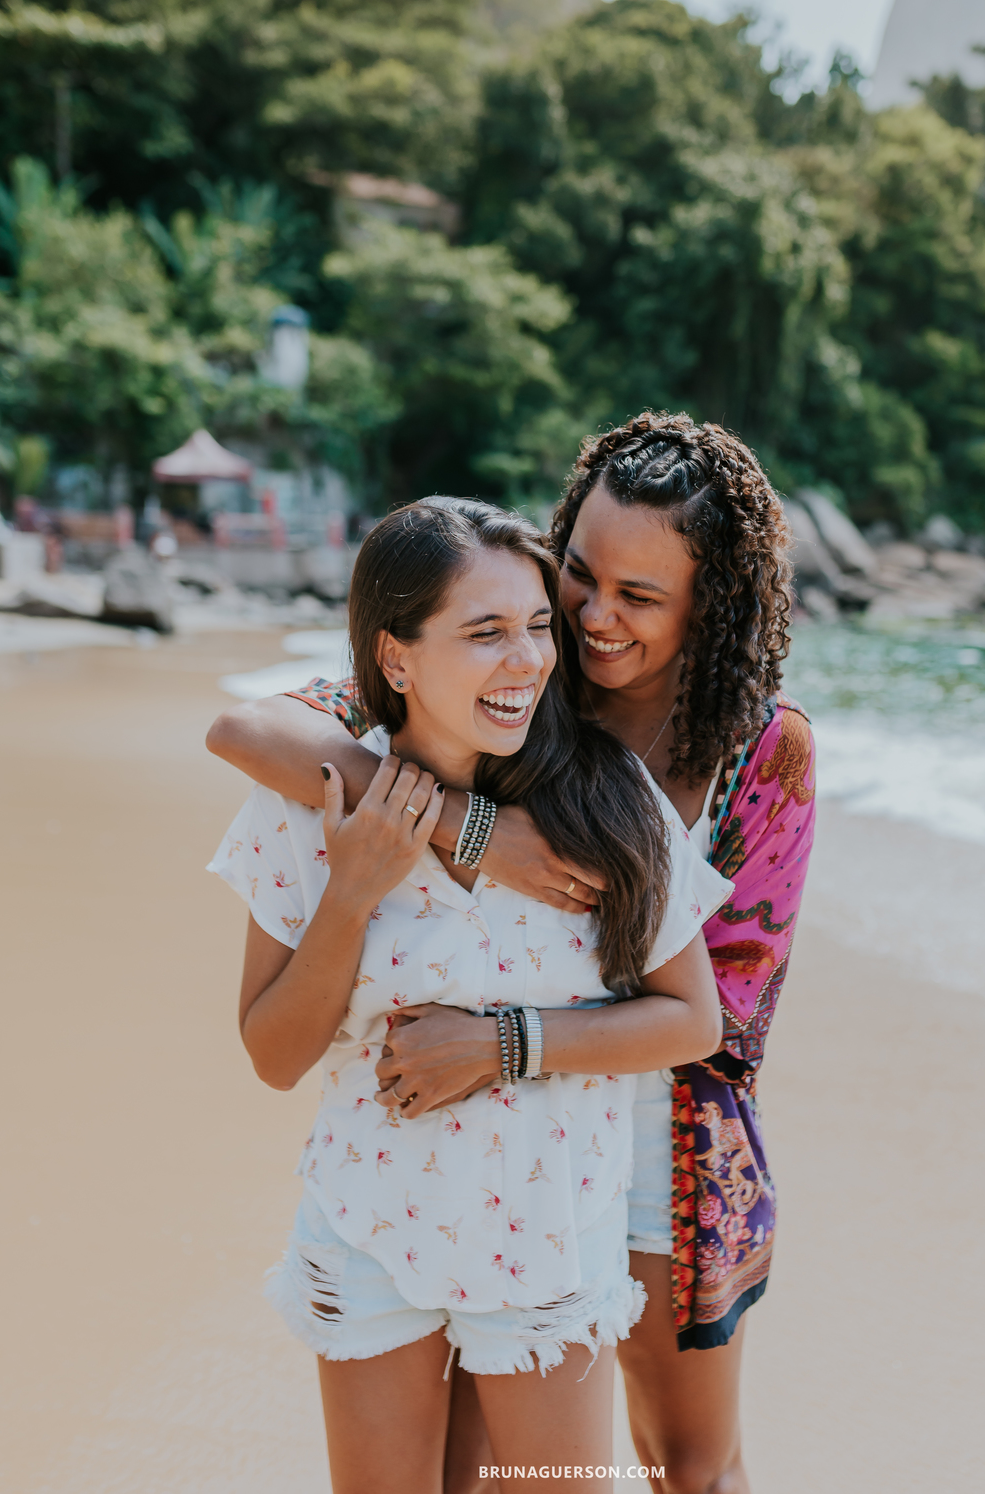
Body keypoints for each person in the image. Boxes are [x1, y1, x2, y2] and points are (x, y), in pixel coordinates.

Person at [208, 412, 817, 1494]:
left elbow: (716, 1017)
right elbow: (254, 732)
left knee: (691, 1462)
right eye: (580, 576)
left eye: (638, 597)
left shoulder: (756, 751)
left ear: (705, 605)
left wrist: (507, 1043)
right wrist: (475, 832)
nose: (589, 618)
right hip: (436, 1133)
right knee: (472, 1467)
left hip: (657, 1113)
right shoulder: (507, 665)